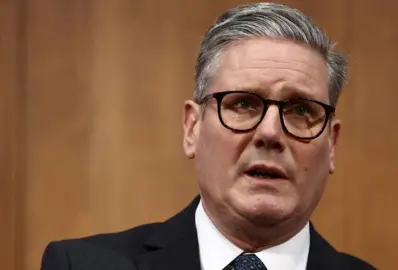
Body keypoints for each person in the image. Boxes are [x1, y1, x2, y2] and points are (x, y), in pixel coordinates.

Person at [41, 2, 375, 270]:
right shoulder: (81, 264)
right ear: (192, 128)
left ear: (331, 144)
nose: (270, 132)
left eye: (301, 110)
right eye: (243, 103)